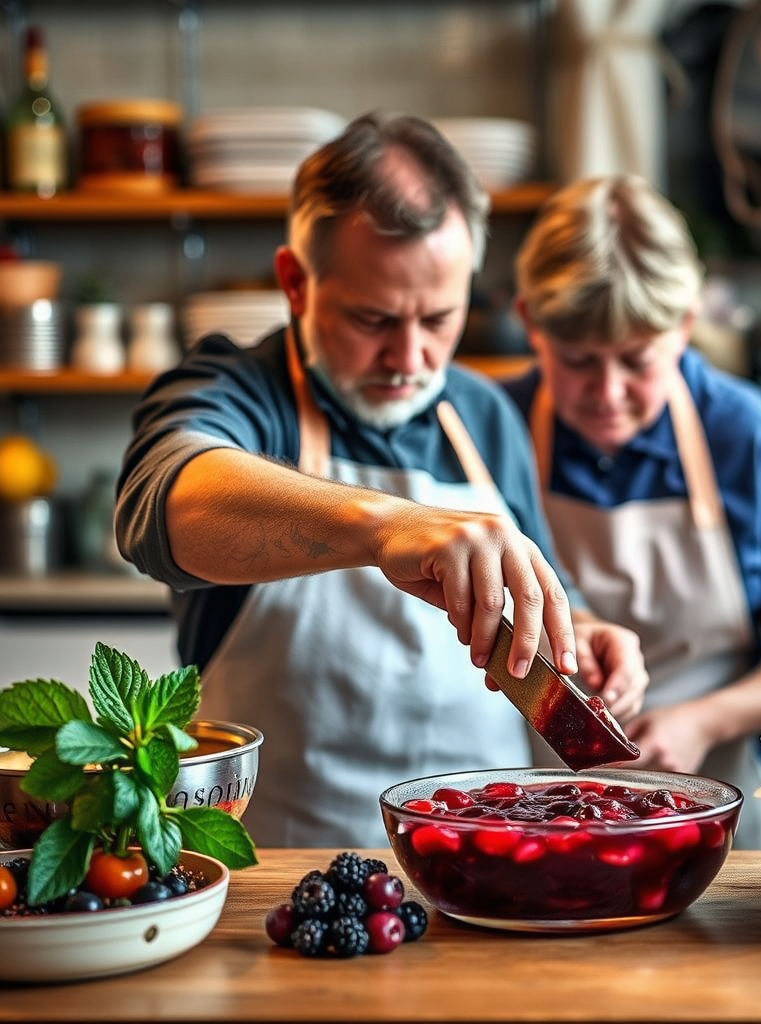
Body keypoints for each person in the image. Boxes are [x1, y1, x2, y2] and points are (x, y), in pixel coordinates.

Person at [114, 113, 648, 849]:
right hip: (274, 879)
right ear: (295, 283)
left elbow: (534, 583)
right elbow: (167, 505)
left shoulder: (485, 415)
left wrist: (579, 633)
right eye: (374, 319)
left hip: (475, 867)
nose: (410, 357)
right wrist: (388, 527)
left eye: (439, 318)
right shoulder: (238, 390)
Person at [503, 174, 761, 848]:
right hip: (528, 816)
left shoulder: (743, 433)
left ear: (685, 325)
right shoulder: (496, 428)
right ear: (530, 323)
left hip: (711, 817)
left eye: (637, 361)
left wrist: (705, 720)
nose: (608, 392)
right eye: (579, 361)